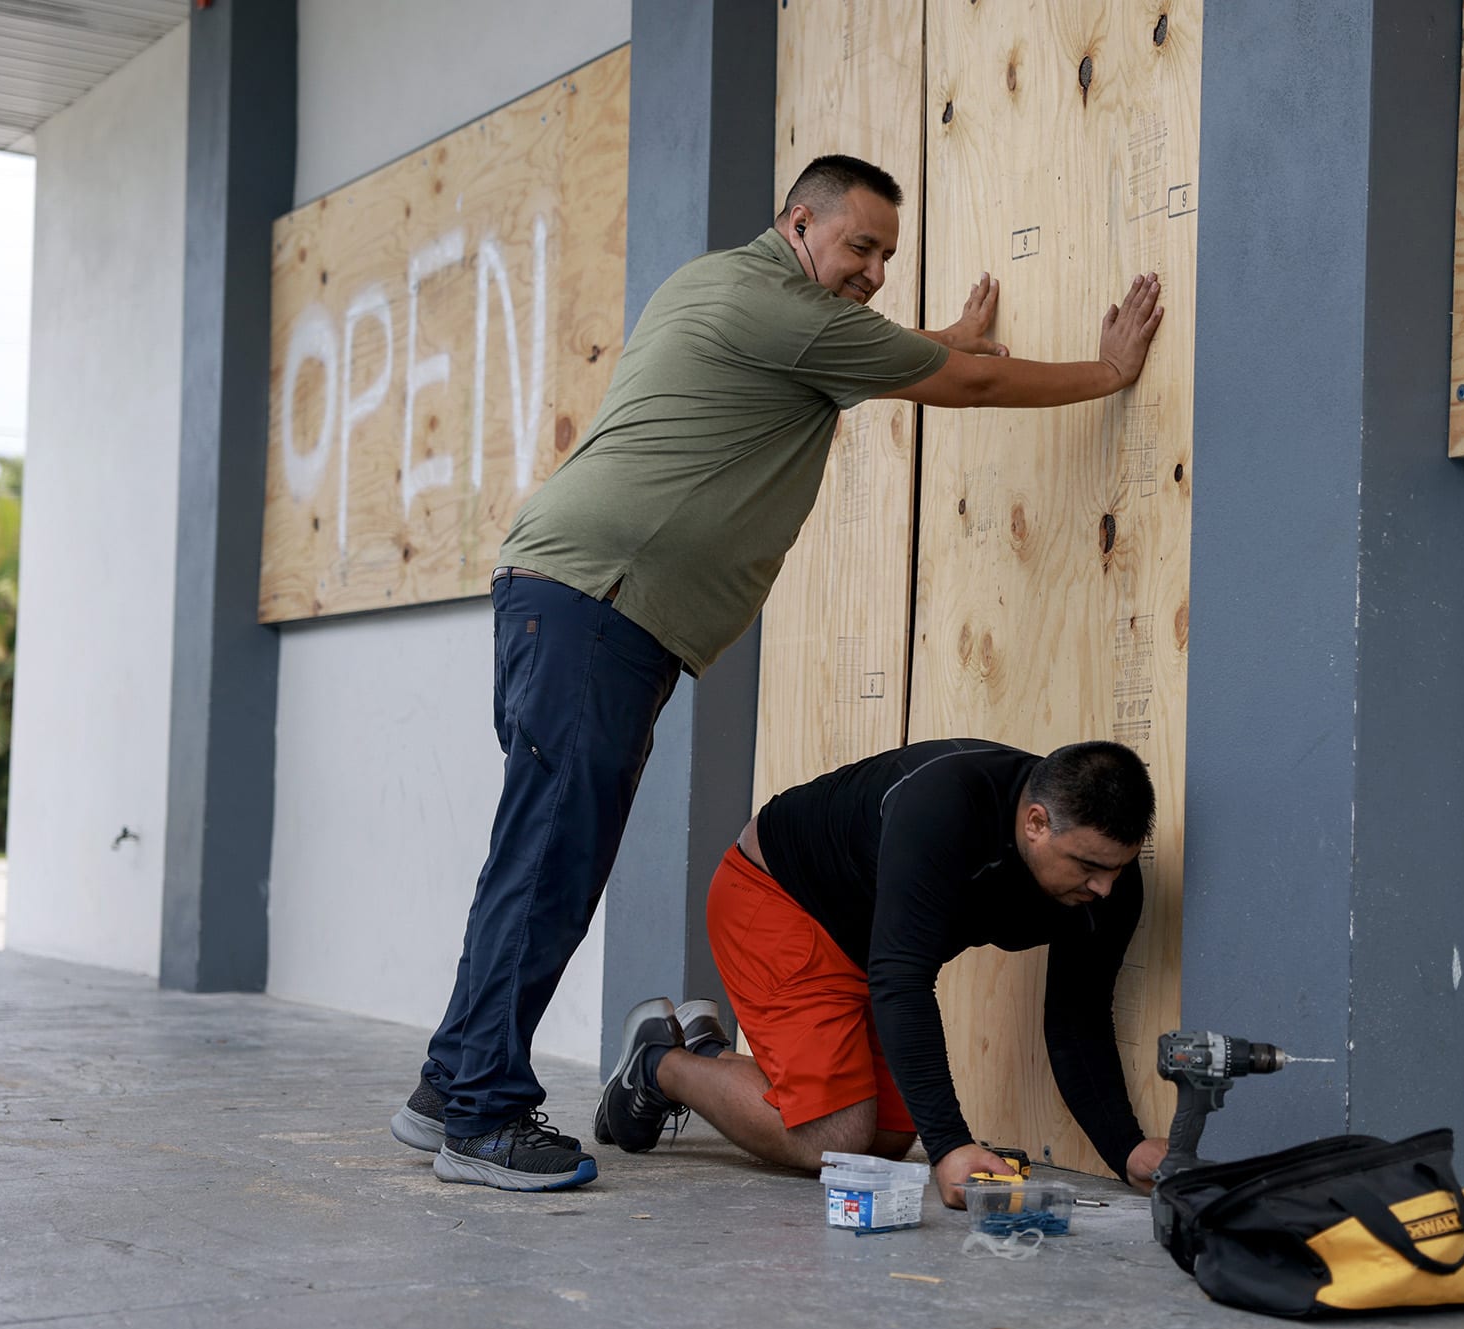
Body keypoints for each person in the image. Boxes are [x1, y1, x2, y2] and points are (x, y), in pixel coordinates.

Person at [389, 154, 1166, 1191]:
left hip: (583, 602)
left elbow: (883, 354)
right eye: (860, 245)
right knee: (547, 867)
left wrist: (934, 340)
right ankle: (481, 1113)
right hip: (596, 604)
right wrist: (1104, 373)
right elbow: (960, 383)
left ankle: (452, 1081)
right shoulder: (783, 307)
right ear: (798, 223)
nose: (875, 270)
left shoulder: (735, 291)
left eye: (889, 254)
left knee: (540, 857)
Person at [594, 738, 1171, 1207]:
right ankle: (660, 1065)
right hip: (778, 898)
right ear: (1037, 823)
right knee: (834, 1139)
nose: (1105, 888)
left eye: (1118, 869)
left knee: (886, 1141)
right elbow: (903, 978)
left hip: (867, 942)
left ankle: (706, 1052)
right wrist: (951, 1147)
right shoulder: (945, 806)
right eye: (1090, 866)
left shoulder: (1105, 886)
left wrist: (1125, 1149)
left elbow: (1077, 1016)